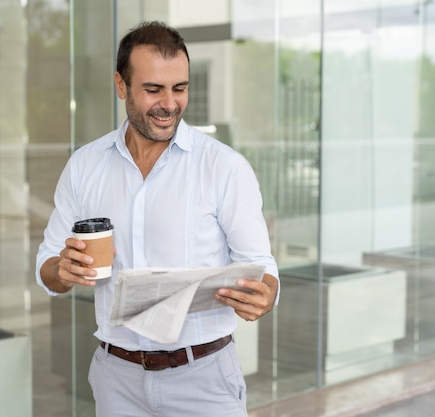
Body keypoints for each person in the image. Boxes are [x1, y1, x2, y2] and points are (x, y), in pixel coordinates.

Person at [35, 21, 279, 417]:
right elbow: (46, 264)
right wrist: (62, 271)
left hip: (205, 380)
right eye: (153, 90)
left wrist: (265, 294)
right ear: (121, 86)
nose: (169, 103)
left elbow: (262, 266)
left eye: (179, 88)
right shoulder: (85, 166)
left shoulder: (224, 168)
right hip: (117, 380)